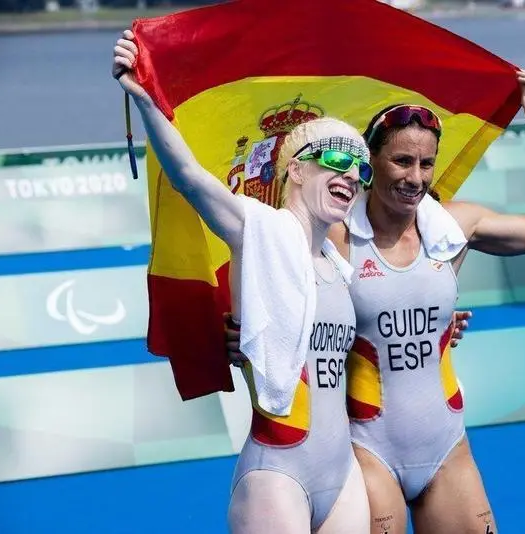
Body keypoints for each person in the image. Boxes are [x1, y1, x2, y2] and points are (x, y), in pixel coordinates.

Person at [228, 70, 525, 533]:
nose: (416, 178)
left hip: (447, 447)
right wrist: (244, 336)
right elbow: (265, 267)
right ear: (369, 162)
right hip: (368, 454)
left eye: (426, 164)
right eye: (402, 161)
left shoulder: (454, 227)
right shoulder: (334, 234)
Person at [112, 30, 371, 534]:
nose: (352, 175)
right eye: (337, 160)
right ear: (295, 169)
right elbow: (188, 175)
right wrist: (145, 96)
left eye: (360, 168)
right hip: (278, 470)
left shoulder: (338, 261)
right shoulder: (257, 232)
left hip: (342, 472)